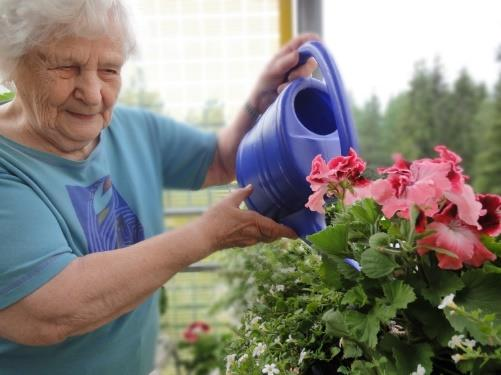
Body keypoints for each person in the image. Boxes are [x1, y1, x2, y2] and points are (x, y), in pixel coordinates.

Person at [0, 1, 318, 374]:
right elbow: (47, 312)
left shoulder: (133, 129)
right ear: (12, 63)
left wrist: (258, 103)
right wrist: (203, 236)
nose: (91, 93)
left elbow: (218, 160)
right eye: (66, 67)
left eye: (109, 70)